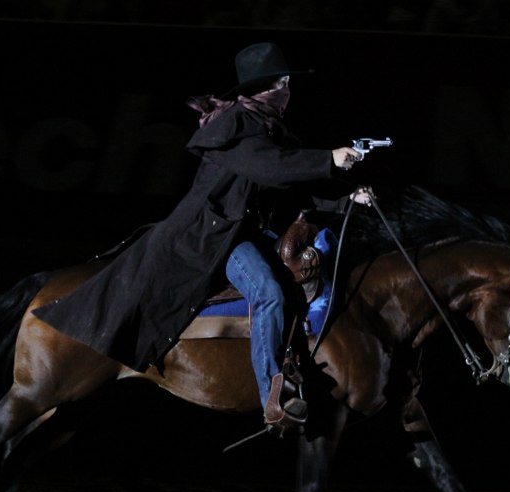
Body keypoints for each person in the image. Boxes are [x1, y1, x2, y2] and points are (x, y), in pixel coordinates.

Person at [33, 42, 370, 432]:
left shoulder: (267, 127)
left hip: (241, 229)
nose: (286, 89)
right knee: (269, 292)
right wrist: (328, 159)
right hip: (213, 237)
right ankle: (272, 397)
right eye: (280, 82)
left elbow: (284, 183)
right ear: (262, 88)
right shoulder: (235, 125)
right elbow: (270, 167)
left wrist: (347, 196)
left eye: (287, 82)